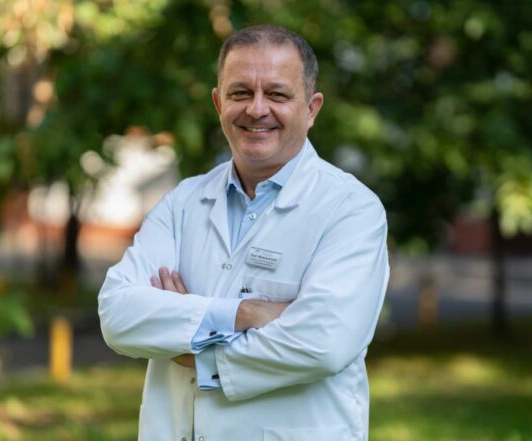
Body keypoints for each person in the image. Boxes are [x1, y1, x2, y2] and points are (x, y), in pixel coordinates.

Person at [99, 24, 389, 441]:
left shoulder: (351, 210)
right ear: (219, 103)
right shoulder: (183, 203)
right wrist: (245, 314)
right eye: (240, 93)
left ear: (311, 109)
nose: (256, 109)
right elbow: (117, 313)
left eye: (277, 94)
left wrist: (191, 346)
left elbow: (322, 342)